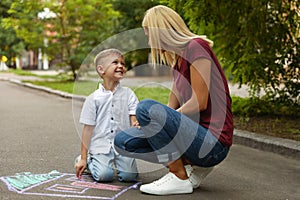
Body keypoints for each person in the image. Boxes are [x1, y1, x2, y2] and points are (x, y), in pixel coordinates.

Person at [114, 5, 234, 195]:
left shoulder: (196, 47)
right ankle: (190, 166)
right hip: (194, 138)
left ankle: (178, 176)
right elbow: (171, 105)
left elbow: (199, 102)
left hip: (212, 143)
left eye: (149, 34)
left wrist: (158, 117)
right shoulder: (176, 61)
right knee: (123, 141)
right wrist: (151, 123)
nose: (148, 40)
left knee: (145, 108)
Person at [75, 48, 139, 182]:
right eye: (115, 63)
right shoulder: (93, 99)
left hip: (122, 146)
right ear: (101, 70)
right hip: (101, 145)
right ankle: (90, 160)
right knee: (104, 176)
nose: (120, 66)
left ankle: (119, 164)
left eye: (123, 63)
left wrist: (135, 123)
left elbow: (133, 117)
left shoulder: (128, 94)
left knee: (130, 177)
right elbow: (87, 130)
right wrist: (82, 157)